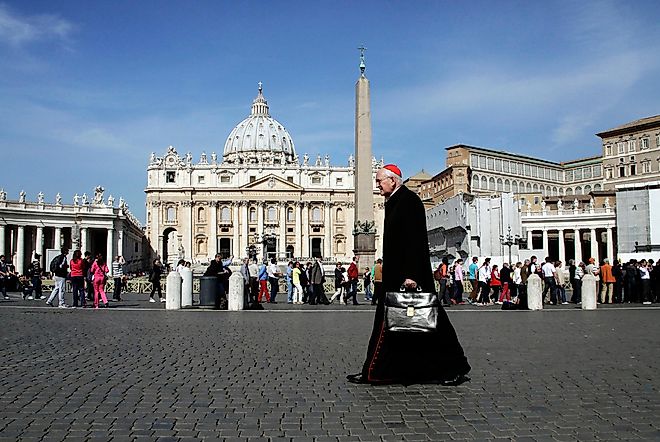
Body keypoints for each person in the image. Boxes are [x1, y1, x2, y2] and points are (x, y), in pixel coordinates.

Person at [348, 164, 470, 385]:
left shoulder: (409, 201)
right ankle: (378, 371)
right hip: (395, 274)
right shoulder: (396, 201)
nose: (377, 185)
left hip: (409, 276)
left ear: (392, 180)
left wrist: (411, 274)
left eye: (379, 181)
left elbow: (414, 241)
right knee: (395, 326)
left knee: (431, 323)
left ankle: (455, 367)